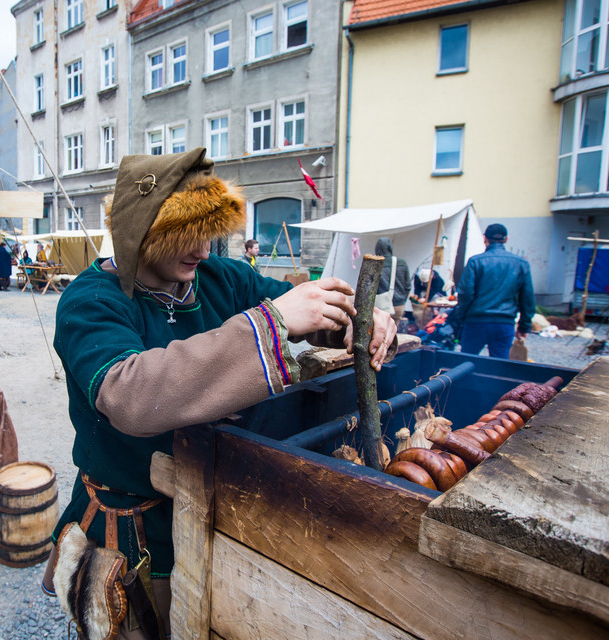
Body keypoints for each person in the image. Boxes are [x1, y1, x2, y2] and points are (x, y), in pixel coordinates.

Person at [43, 149, 397, 638]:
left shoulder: (222, 278)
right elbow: (129, 394)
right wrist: (271, 325)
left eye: (209, 236)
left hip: (225, 503)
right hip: (137, 524)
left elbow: (306, 313)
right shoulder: (91, 301)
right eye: (187, 238)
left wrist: (358, 320)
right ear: (141, 233)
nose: (205, 252)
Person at [454, 223, 534, 359]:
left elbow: (465, 294)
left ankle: (466, 381)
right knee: (499, 365)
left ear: (485, 238)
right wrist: (524, 326)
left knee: (465, 362)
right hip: (504, 322)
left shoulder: (475, 261)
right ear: (506, 239)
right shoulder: (521, 263)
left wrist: (460, 317)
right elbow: (527, 298)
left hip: (475, 321)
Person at [374, 237, 410, 324]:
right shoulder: (402, 262)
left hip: (380, 306)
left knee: (379, 331)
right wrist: (402, 301)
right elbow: (408, 286)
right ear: (390, 248)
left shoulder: (374, 263)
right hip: (398, 305)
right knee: (393, 332)